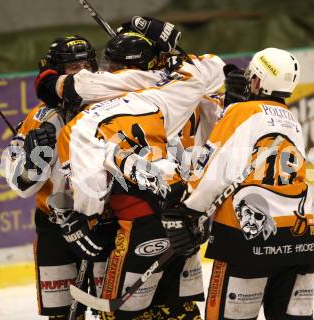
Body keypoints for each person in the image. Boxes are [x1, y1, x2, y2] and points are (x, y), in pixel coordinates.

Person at [55, 17, 226, 320]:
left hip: (136, 221)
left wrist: (84, 220)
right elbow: (211, 68)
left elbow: (89, 188)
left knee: (121, 313)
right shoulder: (168, 97)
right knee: (177, 309)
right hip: (182, 211)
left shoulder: (86, 118)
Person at [162, 48, 314, 319]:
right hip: (299, 241)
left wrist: (189, 210)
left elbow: (214, 170)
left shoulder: (241, 112)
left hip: (246, 240)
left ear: (257, 82)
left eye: (251, 76)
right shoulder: (293, 121)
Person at [1, 35, 116, 320]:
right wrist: (34, 159)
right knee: (61, 315)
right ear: (56, 72)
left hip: (104, 225)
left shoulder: (114, 108)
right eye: (72, 66)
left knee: (114, 312)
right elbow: (22, 186)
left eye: (86, 64)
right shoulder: (39, 118)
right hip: (55, 229)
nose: (81, 73)